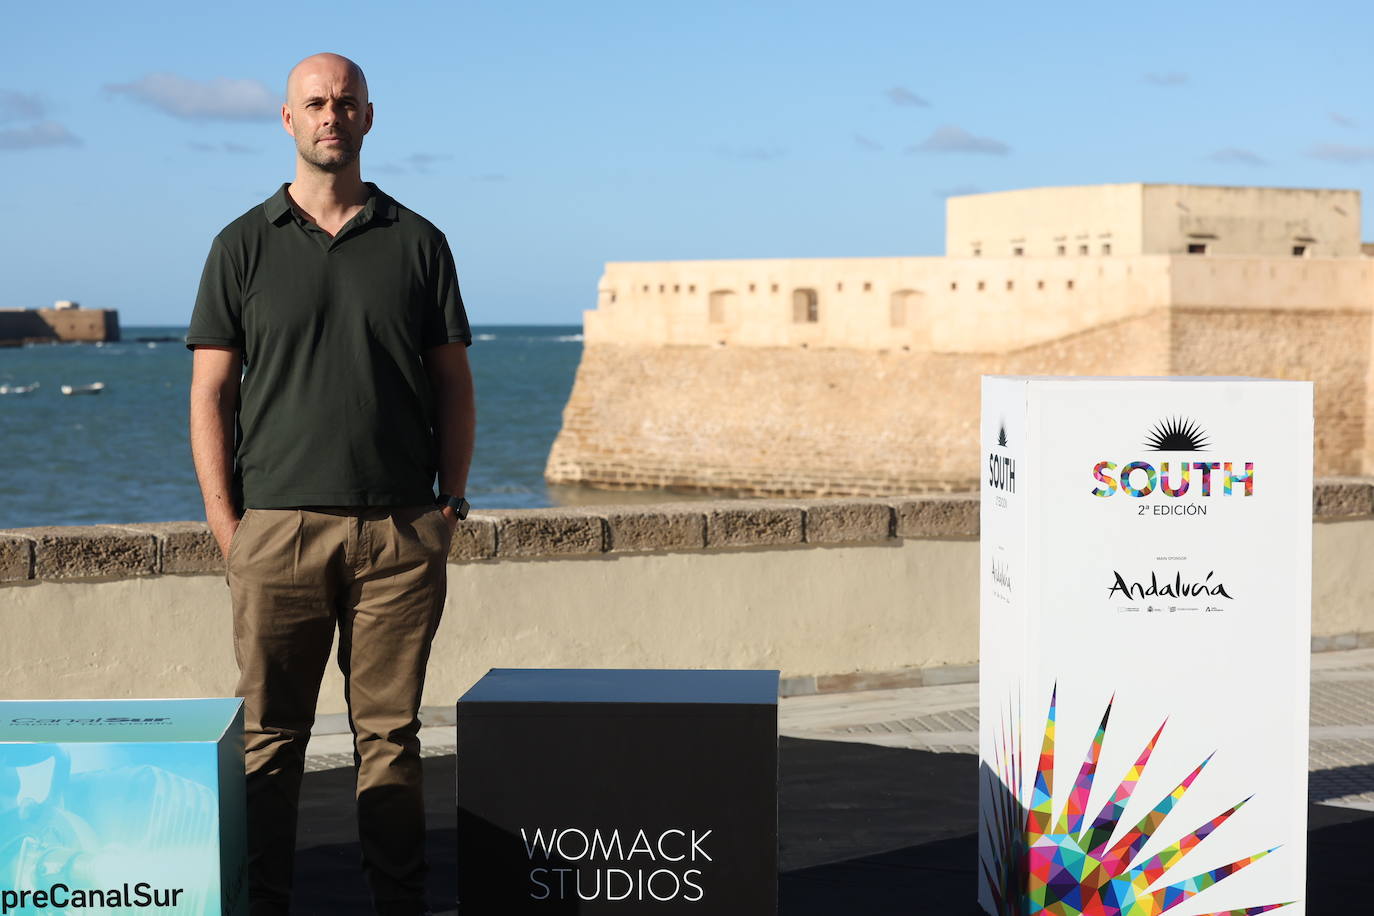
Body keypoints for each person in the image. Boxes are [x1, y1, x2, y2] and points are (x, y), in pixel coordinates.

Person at [186, 52, 475, 916]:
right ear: (287, 119)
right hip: (276, 533)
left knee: (390, 740)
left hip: (399, 534)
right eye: (314, 103)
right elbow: (210, 393)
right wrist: (228, 528)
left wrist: (447, 504)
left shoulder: (418, 241)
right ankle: (264, 904)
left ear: (369, 118)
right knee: (269, 745)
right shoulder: (240, 244)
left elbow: (453, 382)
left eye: (345, 103)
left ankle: (398, 905)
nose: (330, 116)